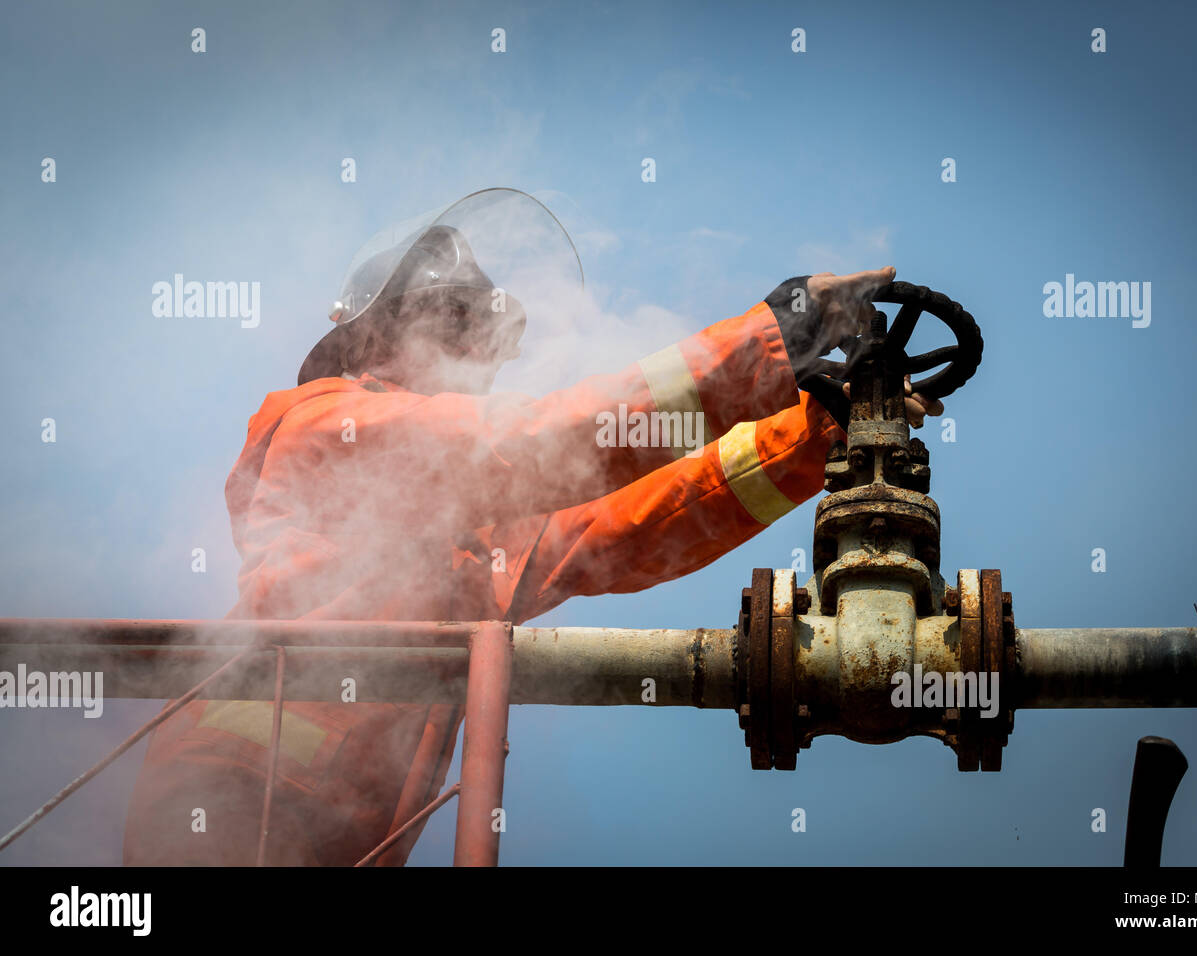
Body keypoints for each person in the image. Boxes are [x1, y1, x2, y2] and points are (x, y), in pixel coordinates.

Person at [123, 191, 941, 866]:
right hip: (231, 798)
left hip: (345, 829)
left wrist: (813, 432)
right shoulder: (323, 424)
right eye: (458, 324)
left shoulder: (467, 542)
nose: (477, 357)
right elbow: (527, 445)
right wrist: (768, 340)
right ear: (390, 329)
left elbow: (631, 523)